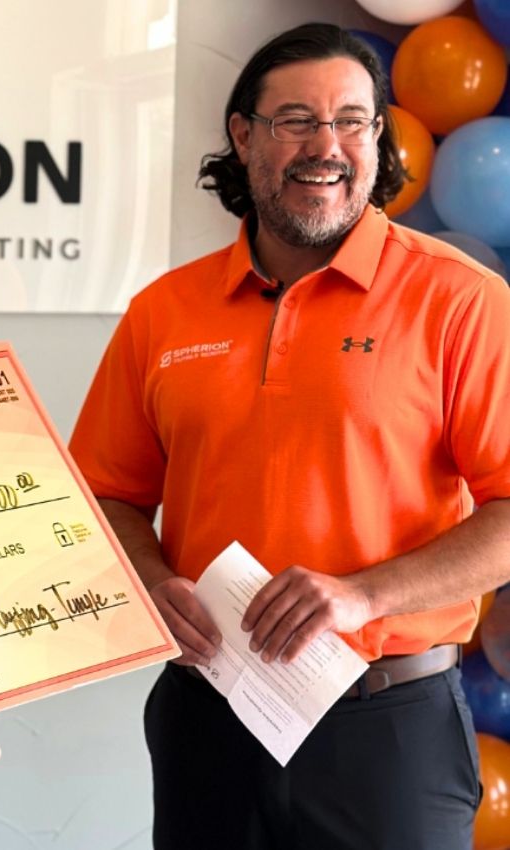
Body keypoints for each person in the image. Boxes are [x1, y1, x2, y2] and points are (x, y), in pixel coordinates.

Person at [68, 23, 510, 850]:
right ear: (243, 137)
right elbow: (107, 495)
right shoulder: (164, 311)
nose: (327, 145)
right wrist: (154, 578)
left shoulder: (460, 302)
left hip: (388, 730)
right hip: (206, 715)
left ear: (378, 137)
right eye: (295, 120)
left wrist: (364, 594)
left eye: (352, 119)